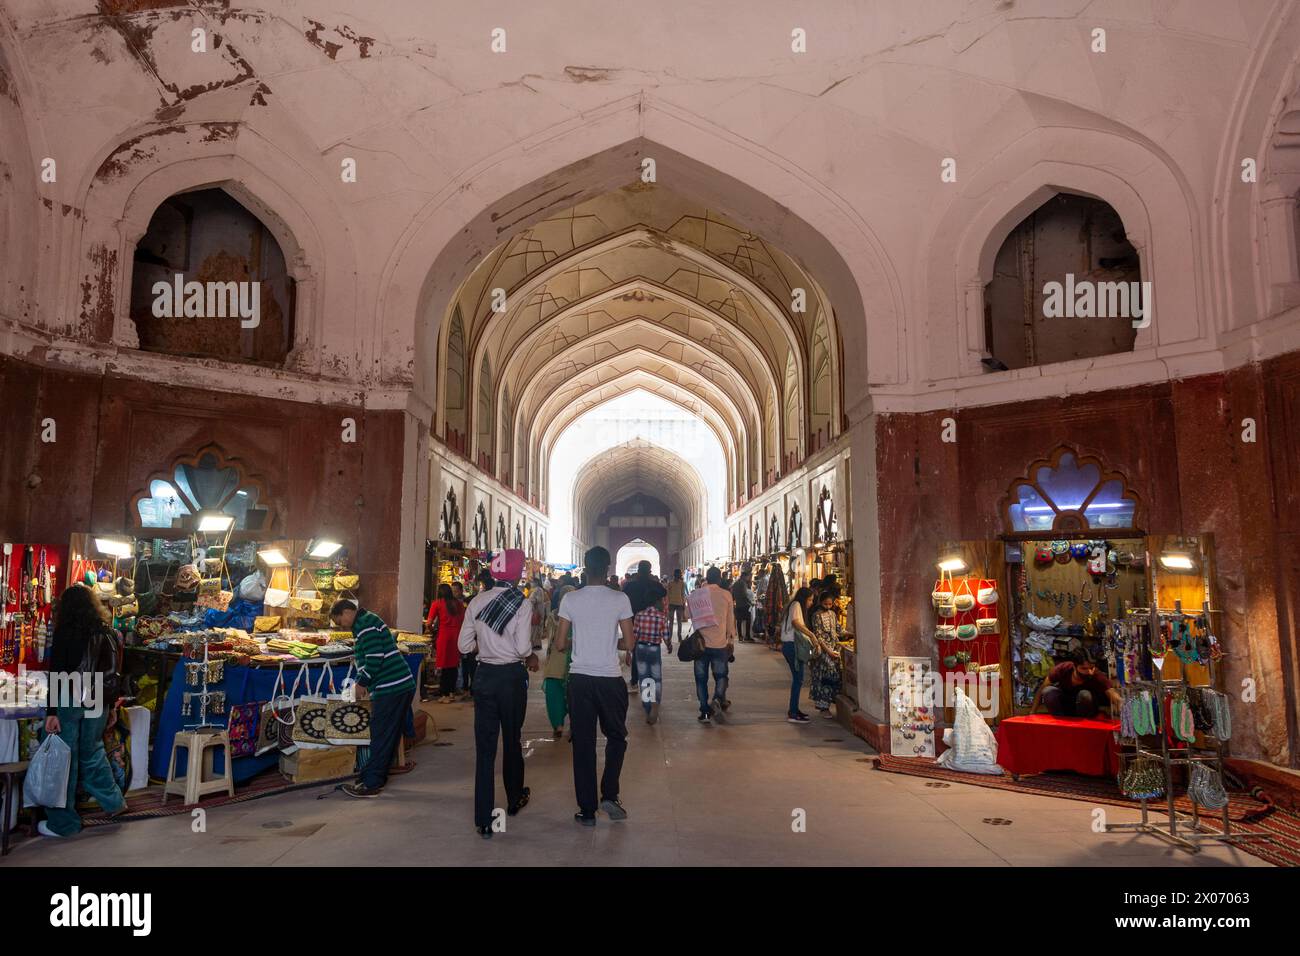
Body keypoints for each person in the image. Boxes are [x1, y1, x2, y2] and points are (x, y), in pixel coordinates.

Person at [458, 549, 539, 838]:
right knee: (512, 739)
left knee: (485, 748)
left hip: (484, 677)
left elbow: (464, 646)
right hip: (510, 678)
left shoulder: (476, 601)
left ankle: (484, 819)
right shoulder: (521, 602)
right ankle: (514, 798)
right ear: (516, 574)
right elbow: (521, 649)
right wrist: (528, 656)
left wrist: (486, 647)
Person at [38, 584, 127, 837]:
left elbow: (57, 673)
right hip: (98, 697)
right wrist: (110, 706)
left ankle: (63, 823)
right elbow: (113, 673)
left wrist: (51, 711)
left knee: (63, 758)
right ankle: (114, 802)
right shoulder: (108, 632)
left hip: (70, 695)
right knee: (92, 750)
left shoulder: (66, 632)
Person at [555, 546, 634, 826]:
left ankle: (587, 810)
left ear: (585, 568)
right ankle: (609, 795)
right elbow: (630, 643)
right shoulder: (620, 598)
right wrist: (609, 641)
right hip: (610, 679)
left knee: (584, 744)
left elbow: (560, 643)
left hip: (580, 680)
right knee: (616, 737)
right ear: (608, 568)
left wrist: (583, 641)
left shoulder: (570, 600)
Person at [331, 599, 417, 797]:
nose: (341, 625)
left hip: (392, 686)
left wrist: (362, 683)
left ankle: (372, 783)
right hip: (397, 685)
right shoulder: (366, 620)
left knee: (381, 733)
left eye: (339, 621)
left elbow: (375, 657)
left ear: (346, 612)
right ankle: (373, 775)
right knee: (388, 734)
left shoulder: (364, 624)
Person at [693, 566, 737, 723]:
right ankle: (717, 699)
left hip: (700, 645)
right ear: (719, 579)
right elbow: (730, 620)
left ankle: (704, 712)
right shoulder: (726, 595)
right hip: (719, 644)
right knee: (721, 676)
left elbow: (687, 614)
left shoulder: (696, 594)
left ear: (706, 577)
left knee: (700, 679)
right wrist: (731, 640)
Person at [1033, 647, 1120, 718]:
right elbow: (1041, 689)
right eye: (1084, 668)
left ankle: (1083, 725)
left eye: (1091, 668)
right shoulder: (1062, 669)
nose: (1089, 672)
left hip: (1085, 711)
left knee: (1084, 694)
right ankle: (1059, 722)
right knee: (1048, 691)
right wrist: (1032, 713)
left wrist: (1122, 705)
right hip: (1065, 707)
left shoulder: (1096, 674)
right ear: (1075, 667)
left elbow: (1112, 693)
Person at [542, 577, 577, 739]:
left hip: (558, 661)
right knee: (572, 696)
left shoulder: (554, 616)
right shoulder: (579, 617)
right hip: (574, 661)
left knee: (555, 694)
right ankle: (569, 725)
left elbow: (551, 641)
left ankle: (559, 725)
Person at [631, 595, 672, 724]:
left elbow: (635, 634)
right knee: (656, 677)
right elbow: (666, 635)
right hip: (654, 648)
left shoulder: (639, 615)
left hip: (641, 647)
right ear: (656, 602)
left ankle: (648, 706)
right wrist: (669, 645)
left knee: (644, 678)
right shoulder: (661, 616)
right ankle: (656, 702)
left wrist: (629, 651)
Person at [781, 587, 816, 723]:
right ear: (804, 599)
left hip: (790, 646)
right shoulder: (796, 605)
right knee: (798, 679)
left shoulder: (793, 605)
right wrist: (811, 635)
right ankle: (793, 712)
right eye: (810, 600)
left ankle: (794, 709)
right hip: (791, 646)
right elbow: (796, 623)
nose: (811, 603)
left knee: (798, 679)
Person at [807, 589, 843, 718]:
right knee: (825, 679)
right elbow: (819, 636)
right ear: (821, 602)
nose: (828, 606)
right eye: (826, 604)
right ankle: (823, 707)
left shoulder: (833, 614)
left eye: (830, 604)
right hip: (824, 652)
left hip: (834, 649)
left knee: (834, 677)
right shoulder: (816, 615)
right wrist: (828, 651)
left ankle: (830, 703)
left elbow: (838, 630)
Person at [426, 583, 464, 701]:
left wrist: (432, 631)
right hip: (456, 636)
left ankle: (444, 694)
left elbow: (429, 623)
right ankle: (451, 692)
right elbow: (464, 620)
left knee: (444, 665)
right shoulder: (458, 604)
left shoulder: (436, 604)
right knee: (453, 665)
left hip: (443, 636)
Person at [763, 563, 788, 651]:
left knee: (774, 625)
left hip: (775, 608)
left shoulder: (773, 582)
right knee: (777, 625)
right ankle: (777, 643)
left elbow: (770, 597)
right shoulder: (780, 583)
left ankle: (775, 643)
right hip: (778, 608)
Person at [732, 570, 754, 642]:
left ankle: (740, 637)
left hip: (738, 604)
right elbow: (744, 595)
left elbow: (733, 595)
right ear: (744, 576)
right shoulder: (743, 583)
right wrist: (750, 602)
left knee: (739, 621)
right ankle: (747, 636)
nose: (748, 578)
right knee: (748, 619)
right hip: (744, 605)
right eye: (747, 577)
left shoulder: (735, 584)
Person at [665, 568, 687, 640]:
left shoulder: (682, 583)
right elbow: (667, 594)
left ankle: (678, 635)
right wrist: (667, 604)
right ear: (675, 575)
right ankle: (671, 636)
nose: (678, 576)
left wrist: (683, 604)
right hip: (673, 604)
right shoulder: (670, 584)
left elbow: (683, 594)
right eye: (677, 574)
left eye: (678, 574)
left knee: (678, 621)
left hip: (678, 604)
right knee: (671, 621)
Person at [528, 577, 549, 650]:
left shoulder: (537, 590)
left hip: (536, 612)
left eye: (532, 582)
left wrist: (529, 601)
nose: (531, 583)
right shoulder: (539, 589)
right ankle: (537, 644)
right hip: (539, 611)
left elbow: (535, 600)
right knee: (537, 628)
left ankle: (534, 644)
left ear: (536, 583)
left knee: (535, 628)